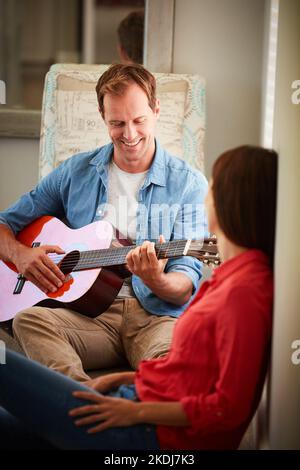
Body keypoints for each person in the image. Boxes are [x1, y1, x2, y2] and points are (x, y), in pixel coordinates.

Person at [0, 145, 277, 450]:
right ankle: (79, 404)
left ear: (232, 201)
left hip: (146, 427)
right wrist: (120, 382)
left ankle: (76, 419)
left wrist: (135, 410)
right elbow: (184, 372)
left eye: (213, 185)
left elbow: (227, 408)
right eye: (118, 122)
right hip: (118, 371)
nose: (206, 192)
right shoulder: (231, 278)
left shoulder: (245, 291)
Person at [0, 63, 207, 382]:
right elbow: (5, 224)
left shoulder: (189, 184)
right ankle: (83, 406)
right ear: (102, 115)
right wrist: (20, 254)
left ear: (155, 110)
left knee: (175, 368)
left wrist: (155, 279)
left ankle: (94, 408)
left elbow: (184, 287)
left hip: (155, 317)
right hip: (89, 317)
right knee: (28, 321)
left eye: (139, 120)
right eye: (117, 123)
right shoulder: (74, 172)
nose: (129, 134)